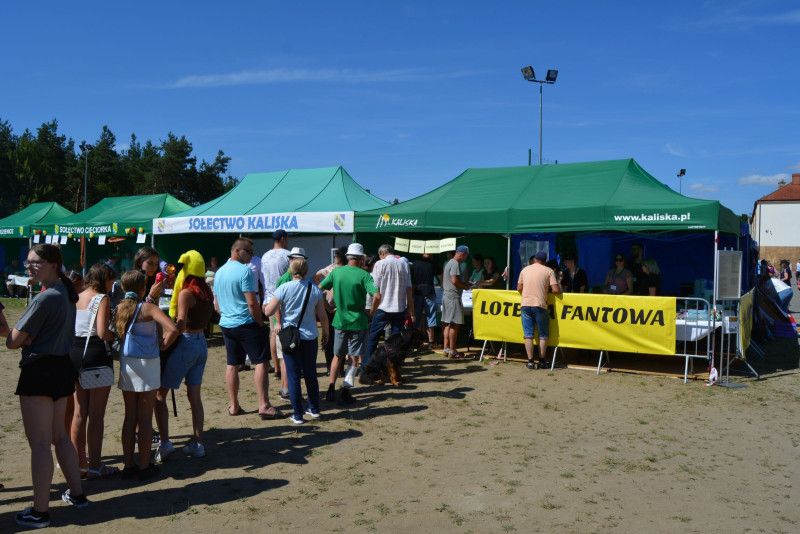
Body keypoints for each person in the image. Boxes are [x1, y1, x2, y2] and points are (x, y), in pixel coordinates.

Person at [7, 244, 88, 528]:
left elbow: (12, 341)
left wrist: (18, 335)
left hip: (41, 370)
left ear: (53, 265)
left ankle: (40, 512)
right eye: (27, 262)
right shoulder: (66, 291)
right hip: (61, 367)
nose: (29, 266)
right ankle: (77, 494)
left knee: (41, 444)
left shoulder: (45, 297)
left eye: (35, 262)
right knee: (59, 437)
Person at [116, 270, 178, 481]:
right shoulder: (148, 308)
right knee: (144, 417)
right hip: (148, 364)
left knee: (129, 416)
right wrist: (163, 345)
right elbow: (173, 328)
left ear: (123, 288)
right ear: (143, 288)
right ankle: (144, 465)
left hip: (128, 363)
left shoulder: (120, 308)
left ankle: (128, 465)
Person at [215, 237, 281, 419]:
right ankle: (264, 405)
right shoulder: (245, 272)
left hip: (227, 324)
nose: (252, 255)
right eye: (249, 251)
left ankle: (234, 405)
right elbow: (252, 303)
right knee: (261, 362)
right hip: (245, 323)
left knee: (232, 364)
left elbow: (217, 305)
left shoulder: (219, 272)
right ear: (238, 251)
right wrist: (260, 323)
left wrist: (228, 315)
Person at [159, 250, 213, 459]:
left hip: (186, 344)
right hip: (201, 344)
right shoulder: (206, 292)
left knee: (159, 395)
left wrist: (165, 343)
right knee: (195, 397)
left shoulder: (186, 294)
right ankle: (198, 443)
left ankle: (165, 443)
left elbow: (180, 326)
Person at [264, 257, 329, 424]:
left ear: (291, 271)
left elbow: (269, 311)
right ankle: (314, 408)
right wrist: (326, 333)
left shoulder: (284, 288)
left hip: (290, 337)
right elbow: (322, 315)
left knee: (293, 376)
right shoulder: (315, 289)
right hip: (310, 336)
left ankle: (297, 414)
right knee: (310, 374)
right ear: (306, 271)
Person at [69, 263, 119, 480]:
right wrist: (116, 335)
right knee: (96, 415)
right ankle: (96, 466)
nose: (112, 285)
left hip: (74, 354)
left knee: (79, 413)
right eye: (111, 281)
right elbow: (101, 332)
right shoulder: (102, 298)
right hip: (95, 356)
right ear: (104, 280)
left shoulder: (77, 296)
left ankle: (79, 464)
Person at [319, 243, 380, 404]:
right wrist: (371, 312)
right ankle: (345, 391)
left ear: (347, 257)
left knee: (337, 356)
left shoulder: (336, 272)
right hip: (358, 321)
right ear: (361, 259)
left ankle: (331, 389)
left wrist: (329, 308)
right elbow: (377, 295)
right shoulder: (364, 275)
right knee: (353, 358)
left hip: (340, 320)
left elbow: (319, 290)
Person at [365, 245, 414, 368]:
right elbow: (409, 289)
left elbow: (374, 289)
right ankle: (393, 367)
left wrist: (372, 309)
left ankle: (367, 366)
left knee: (373, 339)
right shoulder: (404, 264)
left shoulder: (379, 264)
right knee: (396, 342)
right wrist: (410, 310)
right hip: (399, 308)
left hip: (382, 307)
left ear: (382, 253)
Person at [273, 247, 311, 399]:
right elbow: (277, 303)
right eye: (295, 259)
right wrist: (278, 322)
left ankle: (286, 389)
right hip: (286, 326)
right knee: (286, 359)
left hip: (295, 326)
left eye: (301, 259)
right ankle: (286, 389)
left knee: (289, 359)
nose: (298, 262)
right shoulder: (285, 279)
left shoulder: (301, 280)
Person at [518, 250, 560, 370]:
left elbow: (519, 288)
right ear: (545, 261)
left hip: (525, 304)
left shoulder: (525, 270)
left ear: (534, 259)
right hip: (540, 304)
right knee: (543, 335)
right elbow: (556, 290)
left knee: (528, 335)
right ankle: (541, 361)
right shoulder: (549, 271)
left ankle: (530, 361)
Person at [261, 229, 291, 378]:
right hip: (285, 301)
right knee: (288, 334)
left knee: (274, 334)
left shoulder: (265, 256)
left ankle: (277, 369)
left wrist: (265, 300)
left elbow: (263, 280)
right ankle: (287, 365)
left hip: (269, 301)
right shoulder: (288, 255)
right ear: (283, 239)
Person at [314, 246, 348, 374]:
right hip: (340, 308)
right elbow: (315, 277)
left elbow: (315, 276)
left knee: (329, 337)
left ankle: (331, 367)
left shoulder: (331, 268)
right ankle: (339, 368)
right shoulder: (346, 270)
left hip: (329, 306)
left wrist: (324, 291)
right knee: (341, 338)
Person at [442, 246, 472, 358]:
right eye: (466, 256)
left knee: (447, 323)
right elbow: (454, 281)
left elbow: (454, 280)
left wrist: (466, 283)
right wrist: (465, 287)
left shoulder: (450, 262)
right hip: (453, 298)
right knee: (454, 324)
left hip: (447, 296)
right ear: (462, 254)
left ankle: (446, 349)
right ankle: (452, 350)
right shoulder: (455, 263)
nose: (466, 258)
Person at [411, 253, 440, 348]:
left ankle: (415, 341)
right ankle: (431, 342)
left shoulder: (415, 263)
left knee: (417, 316)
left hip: (418, 291)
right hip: (429, 291)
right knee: (430, 315)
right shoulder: (433, 263)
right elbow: (441, 276)